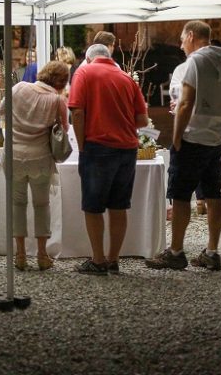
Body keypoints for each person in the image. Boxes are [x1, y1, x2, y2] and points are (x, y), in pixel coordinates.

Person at [145, 21, 221, 272]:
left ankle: (175, 252)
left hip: (193, 136)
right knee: (213, 194)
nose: (181, 45)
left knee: (181, 195)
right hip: (216, 136)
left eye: (183, 39)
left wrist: (176, 136)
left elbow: (186, 103)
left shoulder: (195, 61)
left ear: (192, 36)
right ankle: (212, 251)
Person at [69, 44, 148, 275]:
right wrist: (120, 121)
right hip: (127, 149)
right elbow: (142, 119)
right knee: (119, 205)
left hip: (98, 147)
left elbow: (76, 112)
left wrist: (82, 147)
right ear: (109, 57)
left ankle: (98, 259)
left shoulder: (84, 72)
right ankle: (113, 259)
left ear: (89, 58)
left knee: (93, 206)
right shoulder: (126, 78)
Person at [0, 60, 69, 271]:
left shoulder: (19, 88)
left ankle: (20, 254)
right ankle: (42, 254)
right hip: (40, 158)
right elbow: (63, 128)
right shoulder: (57, 100)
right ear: (63, 81)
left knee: (17, 204)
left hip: (14, 156)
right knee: (42, 205)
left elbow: (1, 112)